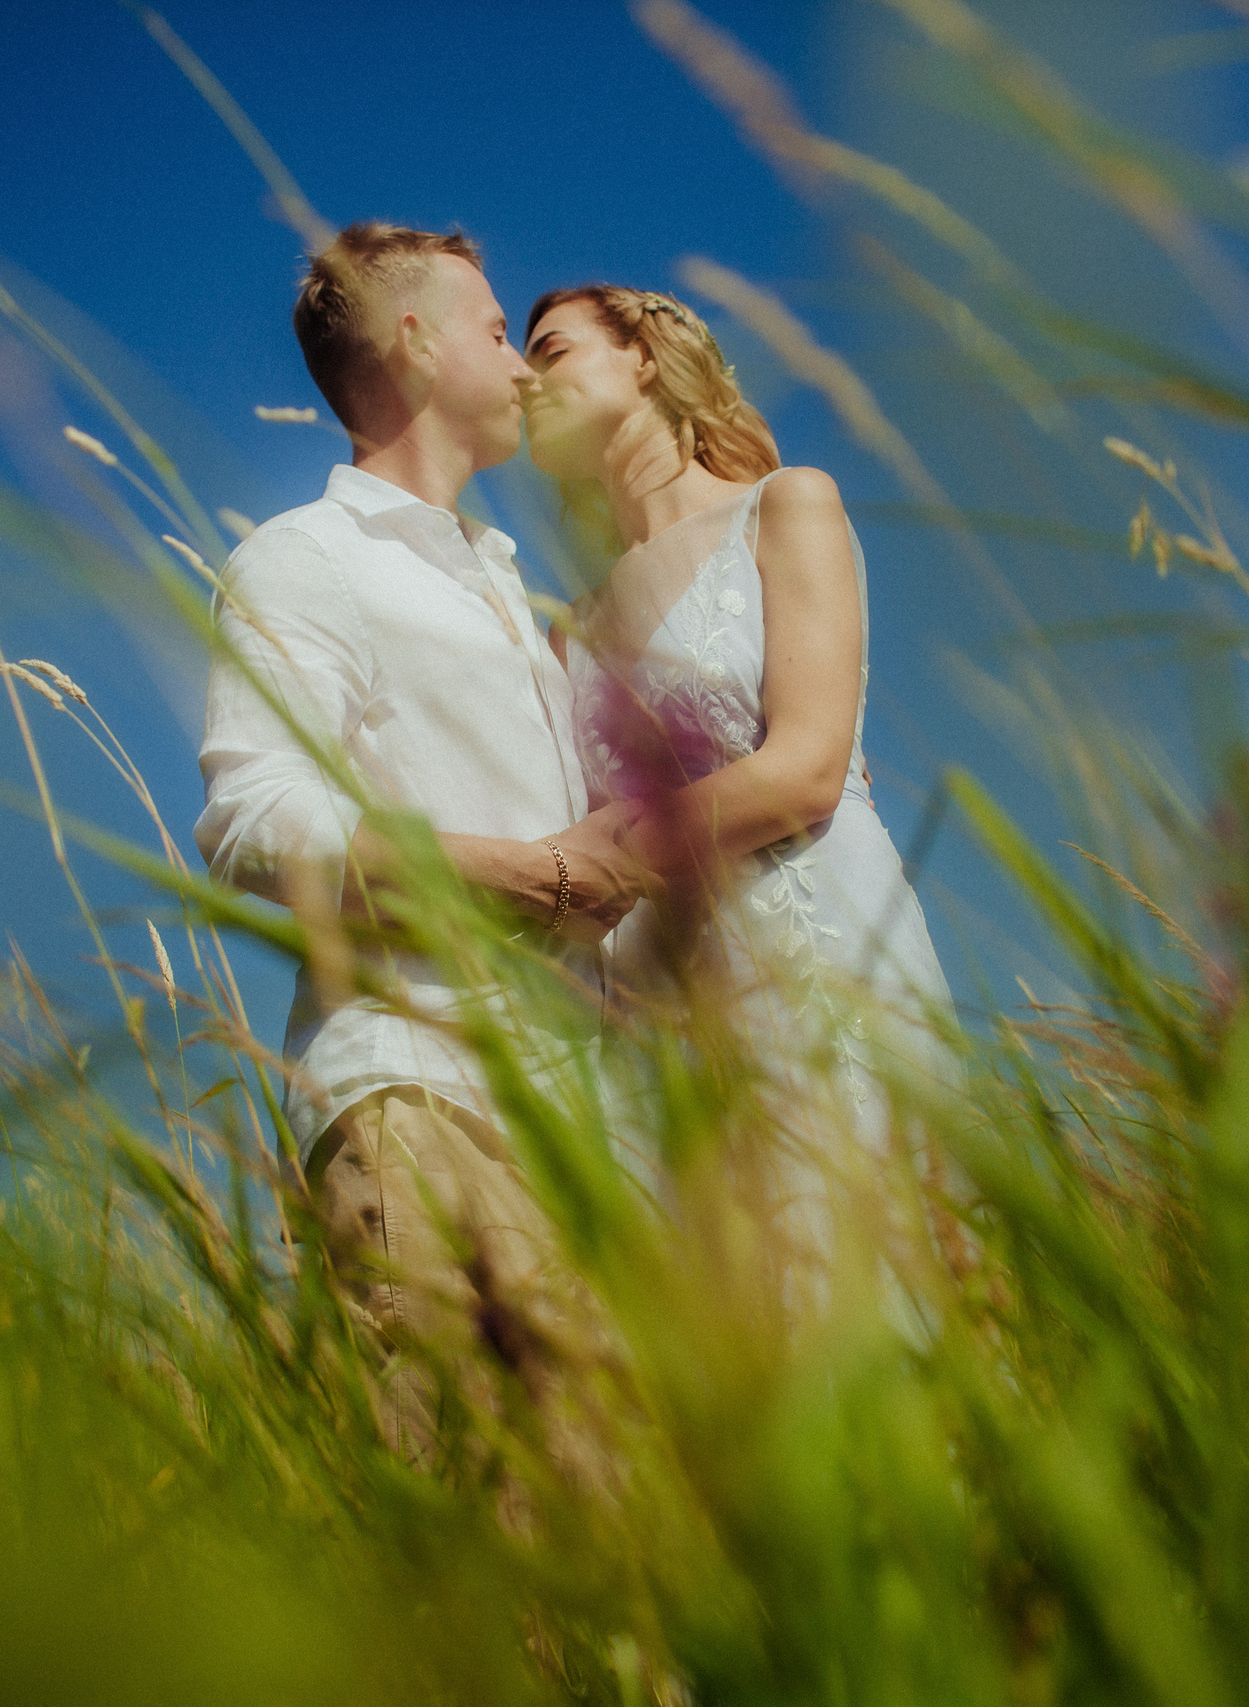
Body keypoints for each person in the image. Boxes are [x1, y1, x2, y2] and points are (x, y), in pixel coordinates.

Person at [194, 224, 642, 1441]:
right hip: (418, 1093)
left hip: (567, 1123)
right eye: (497, 332)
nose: (520, 362)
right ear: (412, 340)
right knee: (492, 1529)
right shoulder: (306, 558)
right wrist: (528, 875)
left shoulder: (500, 582)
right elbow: (251, 819)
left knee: (611, 1539)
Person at [521, 284, 953, 1179]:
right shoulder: (569, 630)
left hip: (823, 953)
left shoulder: (786, 505)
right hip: (665, 1011)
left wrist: (596, 848)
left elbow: (806, 768)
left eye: (550, 351)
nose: (526, 382)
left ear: (642, 354)